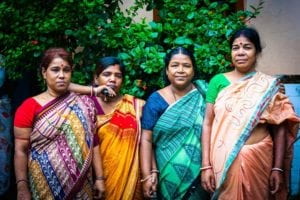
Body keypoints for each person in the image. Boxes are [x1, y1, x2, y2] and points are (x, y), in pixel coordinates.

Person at [201, 27, 300, 200]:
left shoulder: (269, 86)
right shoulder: (218, 81)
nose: (240, 52)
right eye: (235, 47)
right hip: (224, 161)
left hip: (260, 157)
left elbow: (280, 128)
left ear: (257, 52)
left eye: (247, 47)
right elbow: (208, 123)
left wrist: (277, 168)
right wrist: (205, 166)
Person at [13, 48, 105, 200]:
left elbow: (93, 143)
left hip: (82, 186)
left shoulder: (84, 103)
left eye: (66, 70)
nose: (61, 75)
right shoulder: (29, 107)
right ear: (44, 73)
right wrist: (22, 186)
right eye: (55, 70)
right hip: (43, 184)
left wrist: (100, 179)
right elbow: (20, 150)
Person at [70, 56, 145, 199]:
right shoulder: (85, 103)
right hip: (94, 178)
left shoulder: (135, 105)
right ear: (96, 78)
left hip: (129, 177)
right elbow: (60, 85)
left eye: (118, 76)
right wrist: (94, 90)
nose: (112, 79)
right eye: (106, 74)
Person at [140, 47, 209, 199]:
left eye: (186, 65)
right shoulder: (155, 100)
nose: (180, 70)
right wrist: (146, 176)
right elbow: (146, 139)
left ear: (193, 70)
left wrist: (208, 167)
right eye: (175, 65)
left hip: (200, 174)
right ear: (167, 70)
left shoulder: (204, 95)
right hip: (164, 174)